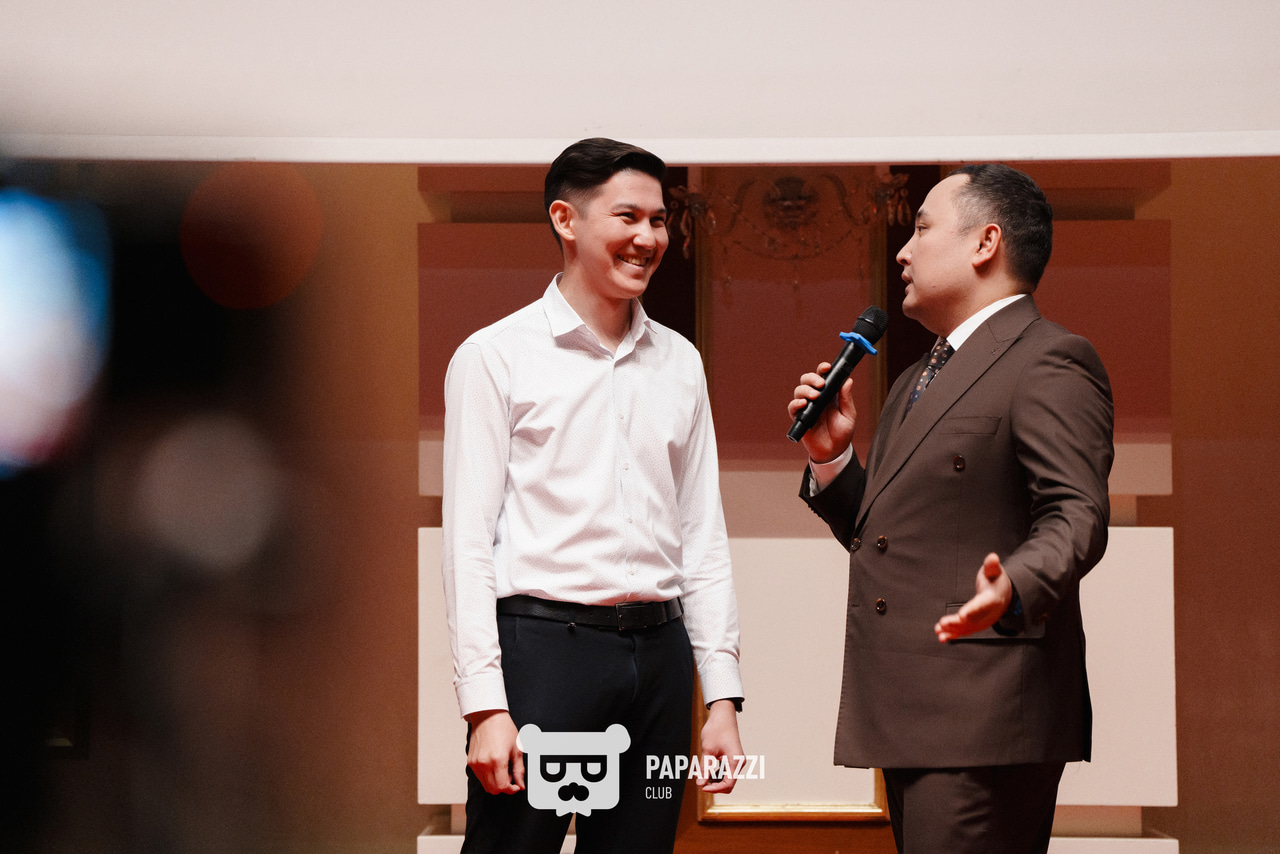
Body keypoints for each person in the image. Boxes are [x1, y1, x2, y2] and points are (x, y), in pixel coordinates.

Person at [788, 164, 1114, 854]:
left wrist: (1013, 584)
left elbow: (1077, 514)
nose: (902, 253)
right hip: (908, 710)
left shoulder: (1051, 359)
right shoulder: (916, 376)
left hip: (986, 711)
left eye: (922, 229)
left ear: (985, 242)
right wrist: (833, 459)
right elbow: (890, 536)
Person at [443, 138, 744, 854]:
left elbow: (702, 535)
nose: (649, 238)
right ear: (566, 220)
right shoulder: (495, 356)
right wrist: (485, 707)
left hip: (661, 657)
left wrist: (723, 697)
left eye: (659, 221)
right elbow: (467, 544)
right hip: (545, 653)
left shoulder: (681, 361)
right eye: (628, 217)